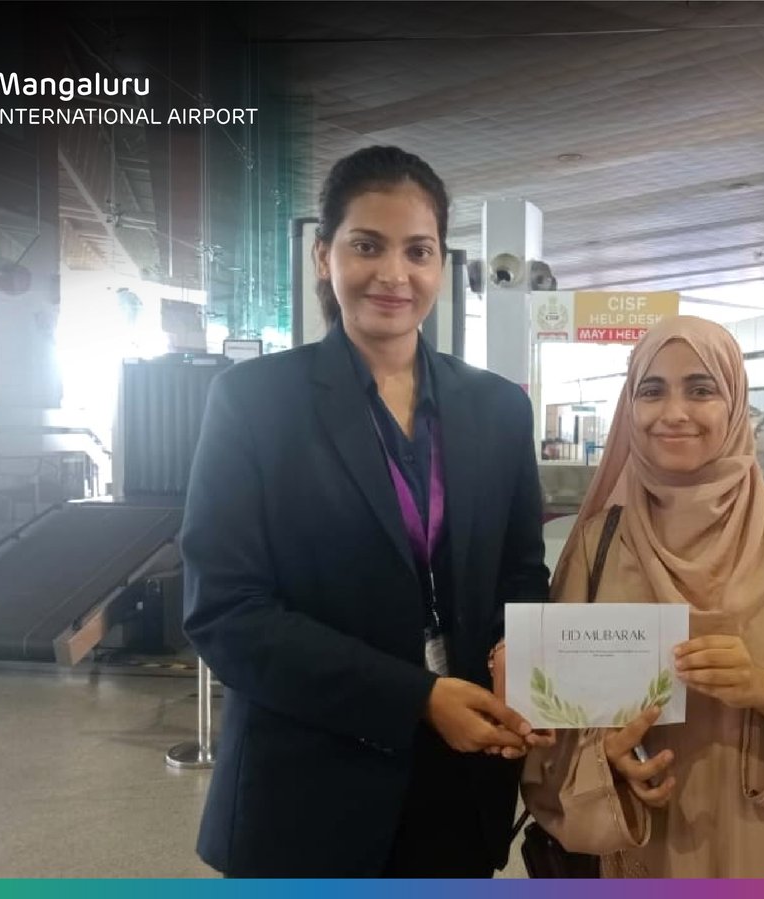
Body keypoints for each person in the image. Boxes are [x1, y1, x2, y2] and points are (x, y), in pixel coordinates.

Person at [181, 145, 550, 877]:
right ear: (324, 256)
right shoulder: (255, 402)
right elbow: (226, 611)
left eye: (418, 250)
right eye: (366, 245)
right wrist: (417, 697)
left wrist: (524, 662)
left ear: (442, 265)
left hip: (459, 779)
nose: (393, 274)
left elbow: (521, 575)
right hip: (306, 787)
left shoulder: (497, 410)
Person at [520, 316, 764, 878]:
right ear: (630, 408)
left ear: (735, 402)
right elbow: (552, 726)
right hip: (643, 845)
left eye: (701, 389)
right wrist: (607, 762)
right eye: (652, 391)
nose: (674, 412)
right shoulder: (599, 545)